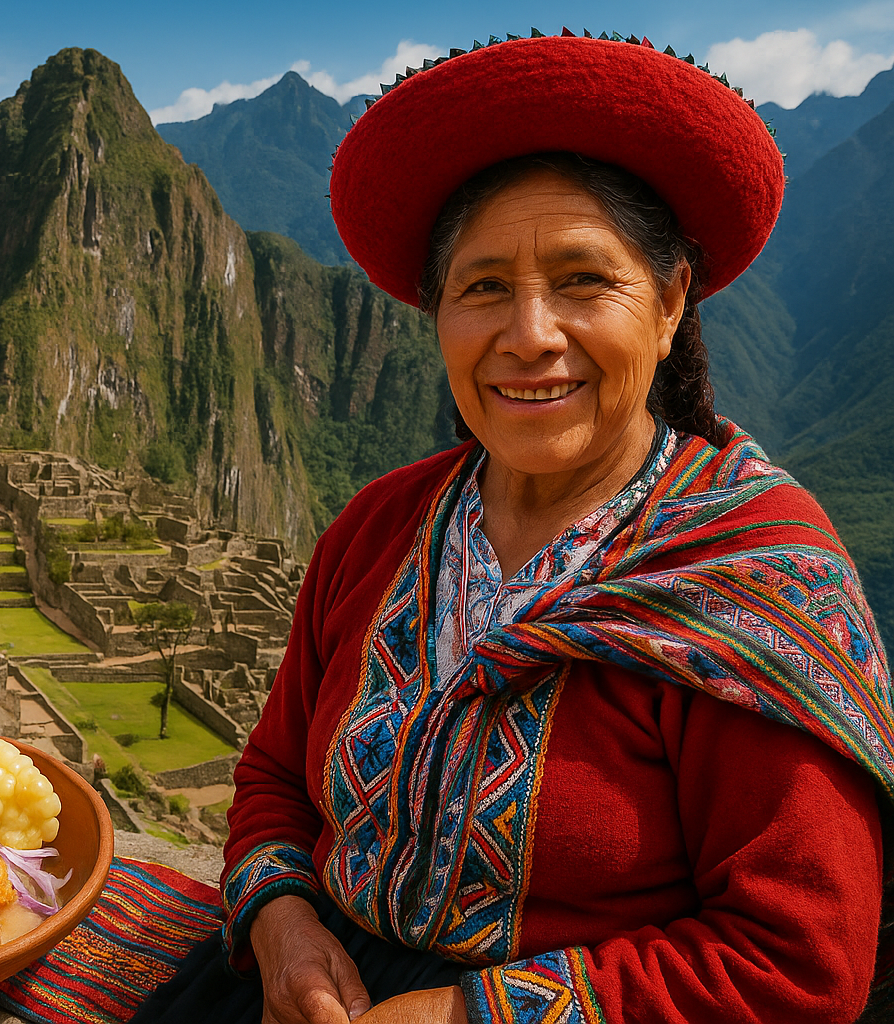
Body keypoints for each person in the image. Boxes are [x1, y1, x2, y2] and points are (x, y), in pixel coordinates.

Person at [132, 32, 892, 1024]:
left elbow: (798, 957)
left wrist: (469, 1014)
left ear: (668, 305)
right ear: (438, 315)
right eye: (484, 286)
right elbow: (276, 775)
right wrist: (280, 922)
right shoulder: (379, 530)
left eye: (584, 281)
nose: (529, 334)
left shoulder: (751, 585)